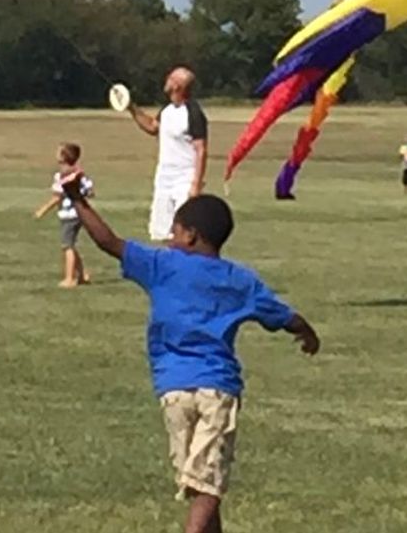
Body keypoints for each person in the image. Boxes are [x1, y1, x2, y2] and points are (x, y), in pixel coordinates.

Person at [58, 182, 320, 533]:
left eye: (175, 230)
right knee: (207, 484)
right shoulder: (240, 280)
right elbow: (284, 315)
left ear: (192, 236)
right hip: (217, 390)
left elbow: (109, 242)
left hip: (173, 390)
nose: (169, 236)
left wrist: (77, 200)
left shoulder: (162, 266)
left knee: (199, 483)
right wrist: (307, 333)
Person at [128, 67, 208, 241]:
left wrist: (195, 185)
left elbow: (201, 150)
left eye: (171, 78)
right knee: (162, 231)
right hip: (164, 177)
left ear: (178, 86)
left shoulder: (193, 113)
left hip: (185, 178)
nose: (166, 80)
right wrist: (131, 107)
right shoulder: (167, 110)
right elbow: (152, 127)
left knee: (184, 231)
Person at [33, 142, 95, 287]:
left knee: (67, 246)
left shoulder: (61, 176)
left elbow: (57, 196)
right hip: (79, 213)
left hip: (69, 215)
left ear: (64, 157)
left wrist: (42, 210)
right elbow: (91, 192)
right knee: (70, 245)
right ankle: (81, 276)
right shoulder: (79, 173)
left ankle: (70, 278)